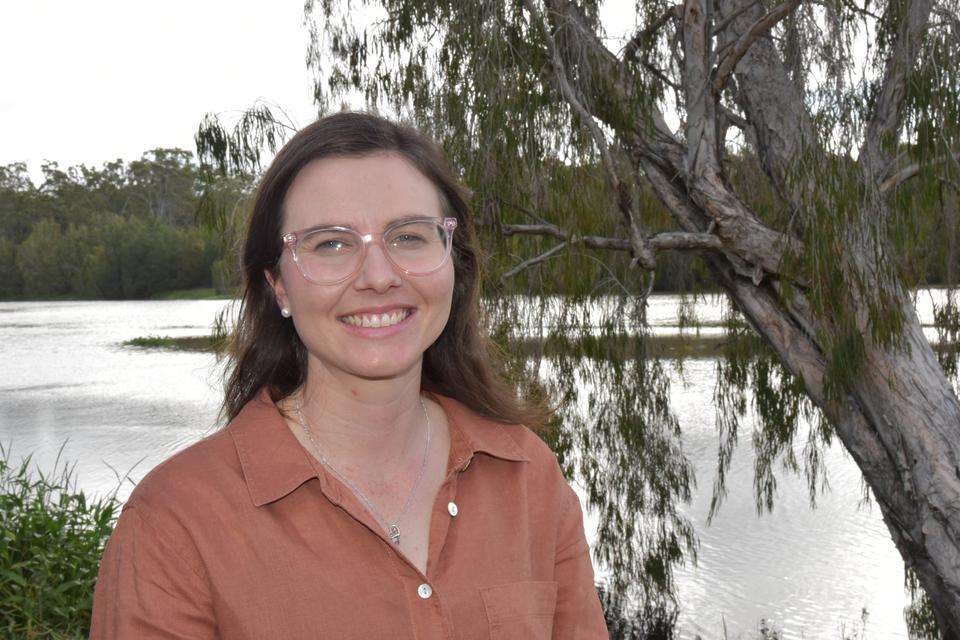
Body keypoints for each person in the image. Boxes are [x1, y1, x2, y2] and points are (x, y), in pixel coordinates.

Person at [89, 111, 608, 639]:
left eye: (409, 236)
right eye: (331, 244)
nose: (379, 277)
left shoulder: (527, 476)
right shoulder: (176, 525)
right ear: (279, 287)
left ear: (455, 262)